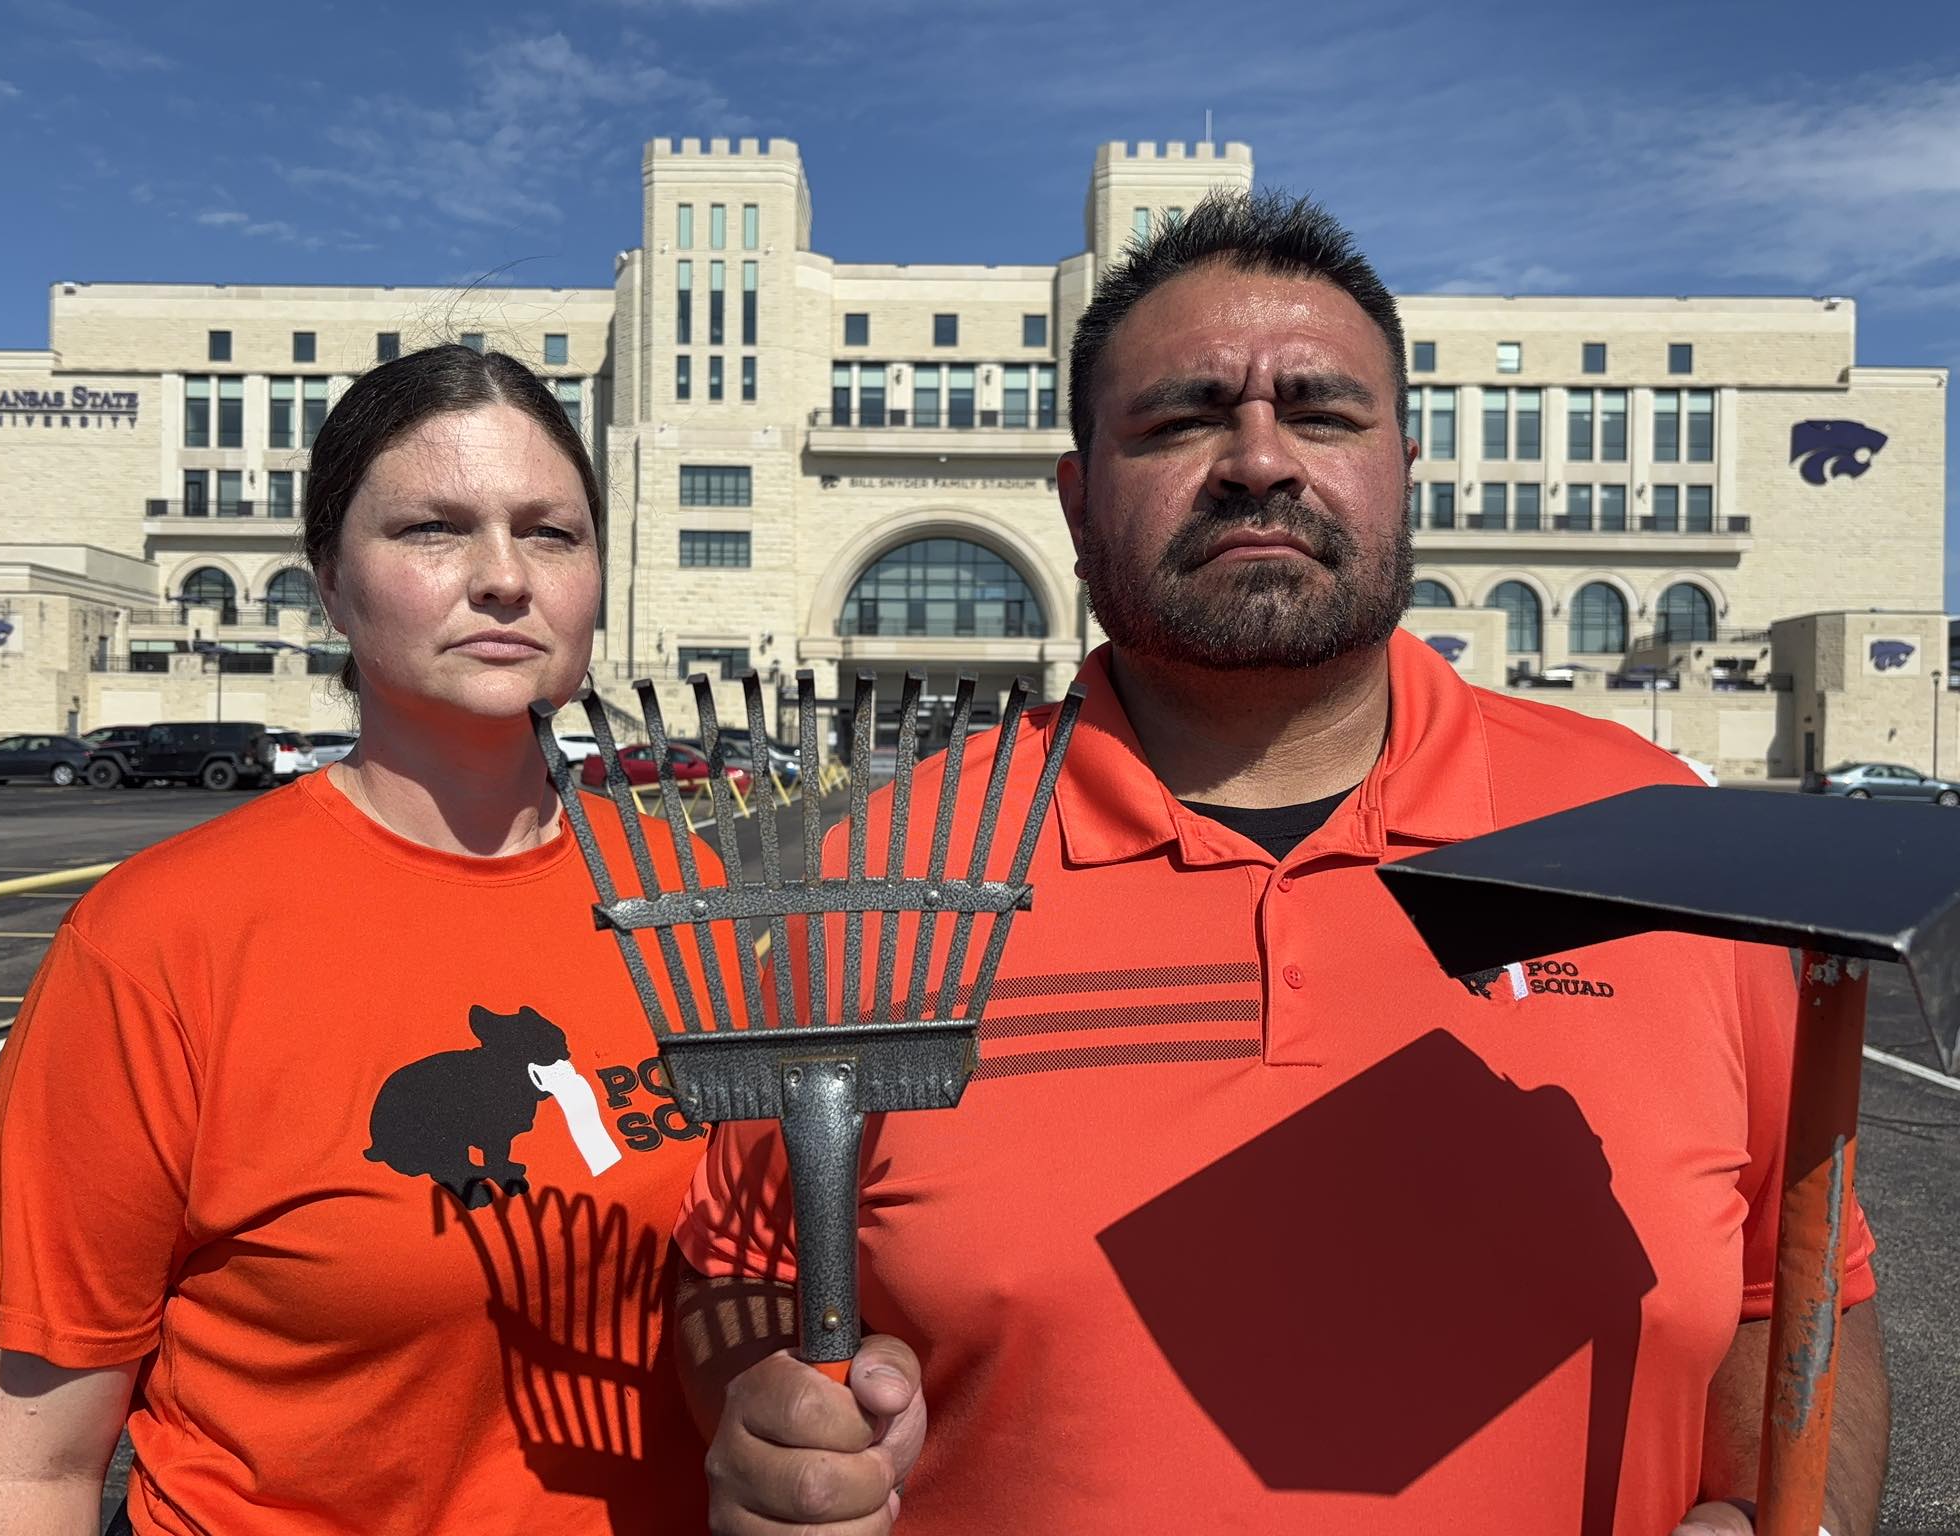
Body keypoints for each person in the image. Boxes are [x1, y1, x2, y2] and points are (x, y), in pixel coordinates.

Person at [669, 193, 1891, 1536]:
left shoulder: (1665, 851)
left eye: (1320, 411)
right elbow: (740, 1271)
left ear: (1405, 470)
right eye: (1183, 418)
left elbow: (1798, 1299)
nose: (1259, 460)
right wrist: (769, 1427)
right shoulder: (885, 878)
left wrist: (1789, 1519)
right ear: (1077, 505)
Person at [0, 344, 716, 1535]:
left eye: (550, 532)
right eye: (432, 529)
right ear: (328, 584)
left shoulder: (691, 897)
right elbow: (25, 1472)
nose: (503, 577)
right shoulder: (161, 938)